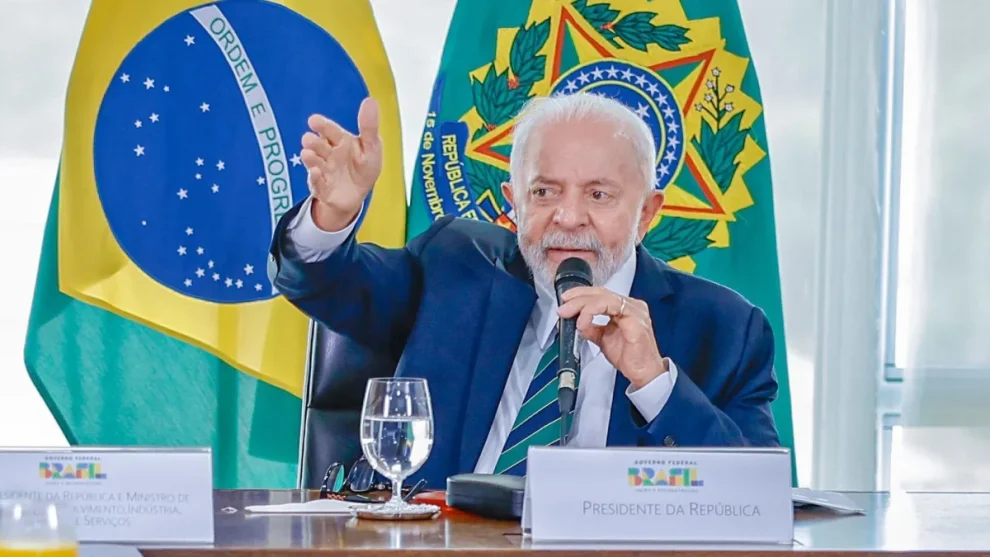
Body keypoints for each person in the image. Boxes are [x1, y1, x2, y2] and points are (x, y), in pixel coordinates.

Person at [268, 92, 781, 487]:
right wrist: (332, 215)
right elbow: (332, 285)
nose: (568, 217)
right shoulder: (454, 265)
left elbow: (754, 496)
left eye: (599, 195)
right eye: (544, 191)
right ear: (514, 201)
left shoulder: (726, 329)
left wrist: (653, 381)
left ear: (647, 212)